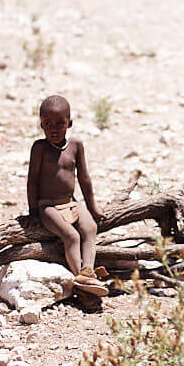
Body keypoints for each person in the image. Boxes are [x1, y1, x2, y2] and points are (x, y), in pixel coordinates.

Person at [27, 95, 108, 296]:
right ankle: (80, 276)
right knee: (71, 236)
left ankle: (88, 270)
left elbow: (84, 178)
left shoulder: (76, 145)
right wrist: (33, 213)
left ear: (69, 123)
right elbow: (32, 181)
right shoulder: (40, 148)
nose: (54, 129)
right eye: (48, 124)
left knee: (90, 228)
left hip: (70, 202)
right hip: (48, 206)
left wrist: (92, 207)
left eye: (60, 123)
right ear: (41, 125)